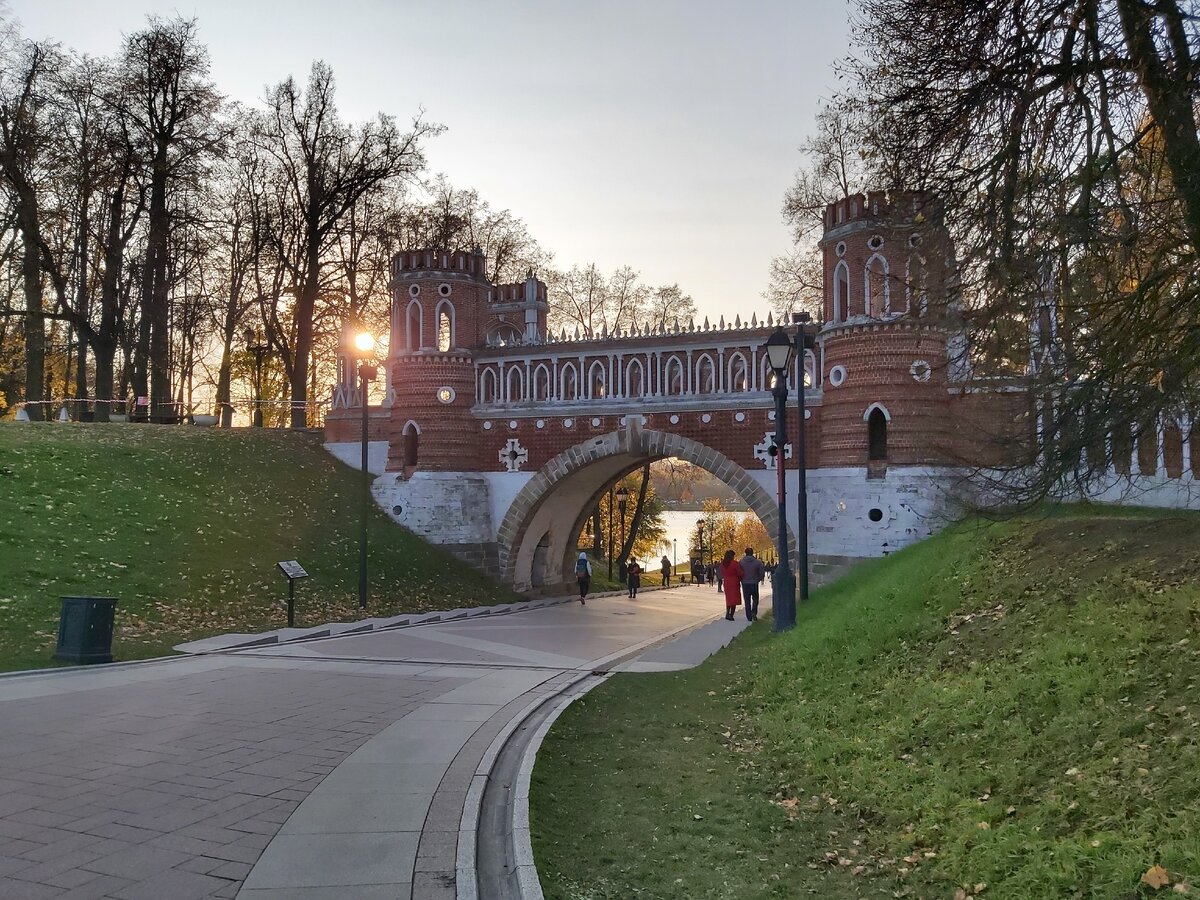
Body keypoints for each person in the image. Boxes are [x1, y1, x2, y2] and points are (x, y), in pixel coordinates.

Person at [739, 547, 766, 622]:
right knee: (755, 599)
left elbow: (739, 572)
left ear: (745, 553)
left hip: (745, 583)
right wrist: (758, 579)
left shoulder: (741, 562)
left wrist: (741, 580)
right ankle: (754, 612)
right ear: (752, 553)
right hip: (754, 582)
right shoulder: (758, 562)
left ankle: (749, 616)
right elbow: (762, 573)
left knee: (747, 600)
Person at [719, 550, 744, 621]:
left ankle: (727, 613)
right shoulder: (735, 563)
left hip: (726, 582)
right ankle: (731, 615)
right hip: (734, 582)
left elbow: (721, 572)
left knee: (729, 599)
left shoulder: (723, 564)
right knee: (734, 599)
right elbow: (740, 573)